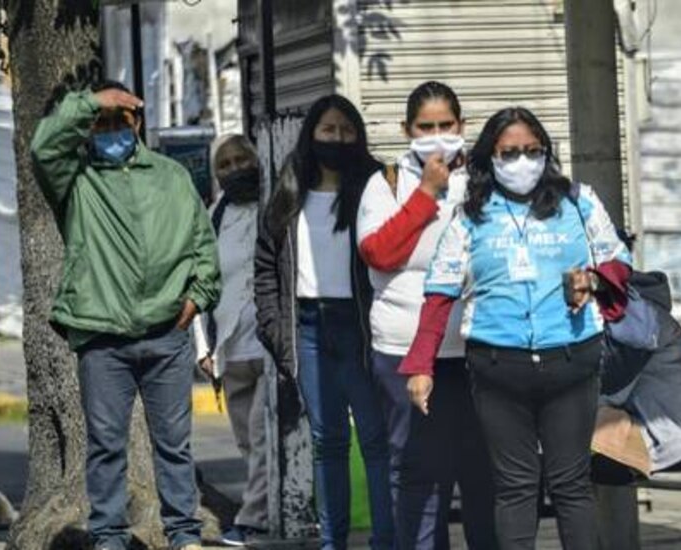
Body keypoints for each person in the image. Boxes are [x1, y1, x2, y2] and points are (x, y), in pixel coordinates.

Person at [400, 107, 632, 550]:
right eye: (509, 153)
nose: (522, 162)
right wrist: (421, 364)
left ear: (546, 153)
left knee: (571, 484)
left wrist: (594, 279)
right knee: (515, 486)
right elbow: (440, 290)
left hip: (571, 358)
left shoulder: (579, 203)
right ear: (490, 158)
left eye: (532, 151)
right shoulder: (471, 216)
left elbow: (619, 260)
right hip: (497, 366)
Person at [30, 81, 220, 550]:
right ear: (89, 126)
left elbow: (204, 247)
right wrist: (91, 102)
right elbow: (43, 146)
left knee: (174, 445)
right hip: (102, 337)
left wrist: (197, 297)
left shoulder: (172, 176)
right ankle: (110, 537)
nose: (112, 128)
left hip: (167, 334)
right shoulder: (74, 180)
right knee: (106, 448)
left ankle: (184, 535)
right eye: (102, 122)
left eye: (122, 119)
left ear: (138, 123)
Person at [357, 81, 496, 549]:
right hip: (404, 351)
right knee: (418, 472)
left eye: (446, 125)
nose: (437, 136)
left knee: (482, 471)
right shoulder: (387, 184)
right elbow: (379, 251)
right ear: (406, 130)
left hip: (478, 349)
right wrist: (426, 194)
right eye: (425, 127)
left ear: (463, 126)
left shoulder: (484, 179)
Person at [253, 94, 394, 550]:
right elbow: (265, 267)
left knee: (376, 440)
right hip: (308, 326)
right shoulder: (289, 189)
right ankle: (333, 543)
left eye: (346, 130)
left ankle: (386, 540)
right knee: (327, 442)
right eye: (328, 130)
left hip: (360, 327)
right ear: (312, 134)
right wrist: (276, 330)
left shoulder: (375, 186)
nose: (337, 138)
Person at [191, 134, 269, 546]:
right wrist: (203, 348)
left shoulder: (273, 206)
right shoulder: (213, 216)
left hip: (270, 346)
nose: (236, 168)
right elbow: (200, 284)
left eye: (243, 159)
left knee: (262, 433)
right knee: (246, 441)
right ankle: (269, 510)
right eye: (226, 164)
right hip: (231, 347)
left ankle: (251, 519)